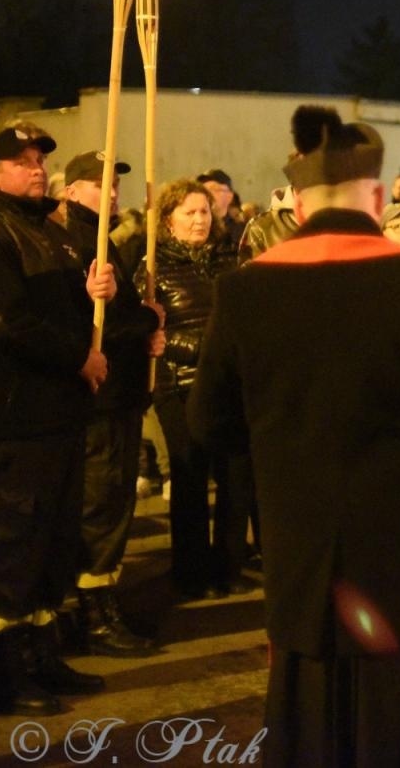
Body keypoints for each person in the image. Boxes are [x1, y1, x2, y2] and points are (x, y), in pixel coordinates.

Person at [187, 105, 400, 767]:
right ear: (379, 196)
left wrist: (284, 445)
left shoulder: (245, 292)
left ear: (297, 204)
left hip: (303, 563)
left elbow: (209, 423)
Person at [0, 126, 115, 716]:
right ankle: (5, 671)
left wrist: (97, 292)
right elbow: (10, 322)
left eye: (40, 159)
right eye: (21, 161)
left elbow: (71, 310)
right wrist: (79, 357)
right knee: (14, 545)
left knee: (52, 544)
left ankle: (42, 653)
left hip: (60, 415)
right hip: (17, 419)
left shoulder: (51, 230)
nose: (37, 168)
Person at [61, 151, 163, 656]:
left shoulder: (108, 240)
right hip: (98, 399)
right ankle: (92, 611)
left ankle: (103, 598)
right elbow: (96, 325)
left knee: (115, 499)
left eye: (116, 183)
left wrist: (147, 329)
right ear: (72, 191)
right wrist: (146, 321)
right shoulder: (79, 241)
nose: (113, 191)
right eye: (98, 183)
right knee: (100, 503)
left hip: (122, 393)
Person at [139, 178, 252, 600]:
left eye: (204, 211)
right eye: (189, 212)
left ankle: (228, 565)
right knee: (189, 479)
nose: (199, 219)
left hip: (229, 385)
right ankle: (190, 571)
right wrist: (205, 349)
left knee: (236, 478)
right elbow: (153, 331)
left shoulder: (228, 260)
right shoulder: (153, 268)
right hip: (179, 386)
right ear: (168, 220)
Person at [199, 169, 246, 257]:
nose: (206, 194)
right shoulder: (197, 229)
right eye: (202, 190)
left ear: (229, 196)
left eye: (212, 189)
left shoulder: (242, 233)